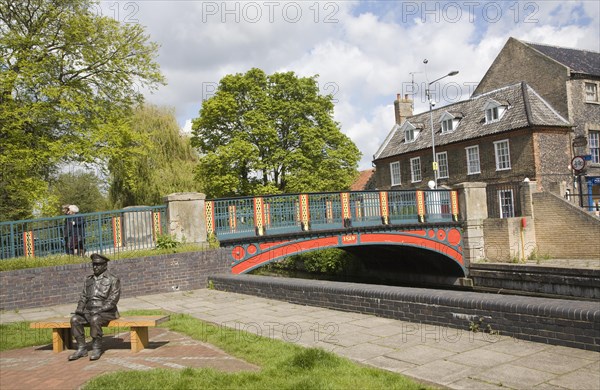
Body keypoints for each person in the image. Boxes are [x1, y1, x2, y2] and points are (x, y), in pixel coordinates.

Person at [68, 254, 121, 361]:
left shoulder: (113, 279)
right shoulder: (88, 280)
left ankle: (96, 348)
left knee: (95, 319)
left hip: (107, 311)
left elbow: (113, 300)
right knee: (74, 319)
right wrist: (79, 308)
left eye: (98, 264)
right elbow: (83, 297)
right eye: (94, 264)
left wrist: (99, 310)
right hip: (89, 311)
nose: (95, 267)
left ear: (105, 265)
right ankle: (82, 348)